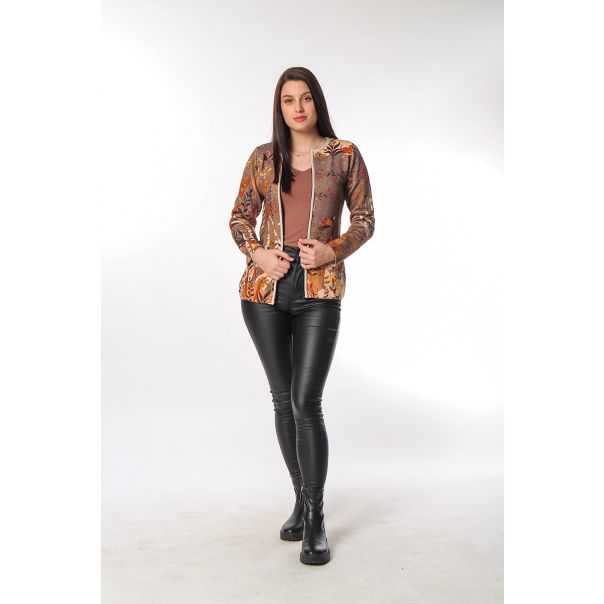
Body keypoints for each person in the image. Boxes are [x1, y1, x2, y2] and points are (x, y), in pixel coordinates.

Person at [228, 66, 375, 565]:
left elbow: (366, 219)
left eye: (305, 98)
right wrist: (258, 254)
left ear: (317, 103)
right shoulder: (263, 157)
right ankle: (300, 498)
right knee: (281, 399)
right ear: (280, 107)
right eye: (288, 99)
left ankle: (315, 518)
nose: (297, 107)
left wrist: (332, 250)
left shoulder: (344, 154)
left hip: (319, 289)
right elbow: (239, 216)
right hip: (265, 290)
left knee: (305, 400)